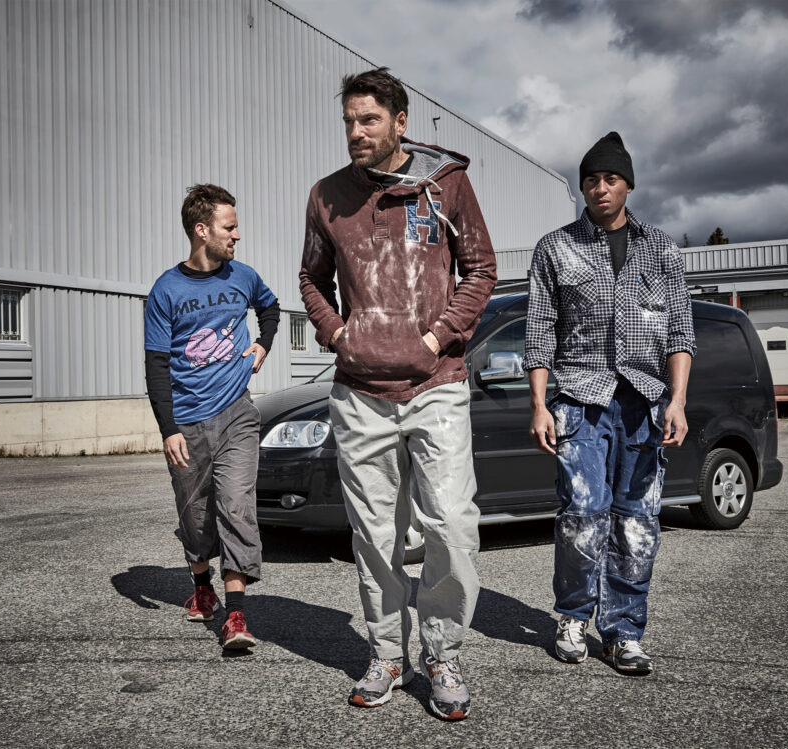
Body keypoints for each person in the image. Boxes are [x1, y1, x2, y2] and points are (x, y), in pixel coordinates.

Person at [299, 68, 496, 720]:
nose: (356, 132)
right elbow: (311, 278)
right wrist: (339, 334)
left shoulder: (446, 185)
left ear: (400, 123)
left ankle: (441, 654)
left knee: (451, 526)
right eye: (349, 121)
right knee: (374, 534)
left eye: (369, 120)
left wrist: (439, 337)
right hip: (360, 393)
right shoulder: (327, 196)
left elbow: (481, 268)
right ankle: (386, 653)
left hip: (436, 385)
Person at [525, 132, 695, 675]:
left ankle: (623, 632)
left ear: (629, 185)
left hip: (644, 406)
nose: (600, 188)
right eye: (591, 180)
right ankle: (573, 616)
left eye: (610, 178)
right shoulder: (556, 248)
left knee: (636, 522)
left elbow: (680, 332)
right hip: (580, 401)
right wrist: (539, 405)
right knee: (582, 514)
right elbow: (539, 332)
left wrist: (677, 401)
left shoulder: (661, 250)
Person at [145, 184, 280, 650]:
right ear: (202, 231)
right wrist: (168, 429)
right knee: (197, 516)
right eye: (230, 227)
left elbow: (270, 309)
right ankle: (202, 586)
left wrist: (263, 343)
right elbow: (156, 364)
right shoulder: (166, 289)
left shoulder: (243, 276)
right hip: (187, 421)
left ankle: (236, 616)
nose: (237, 235)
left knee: (237, 505)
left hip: (237, 411)